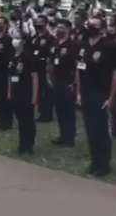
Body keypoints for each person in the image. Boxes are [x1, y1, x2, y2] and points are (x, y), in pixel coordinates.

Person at [76, 17, 116, 177]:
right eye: (88, 24)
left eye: (94, 25)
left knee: (102, 131)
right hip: (87, 93)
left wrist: (111, 97)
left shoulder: (110, 46)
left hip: (102, 94)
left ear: (102, 28)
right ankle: (94, 161)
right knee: (90, 130)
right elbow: (79, 69)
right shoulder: (82, 44)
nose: (90, 27)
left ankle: (104, 164)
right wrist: (79, 92)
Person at [8, 30, 39, 155]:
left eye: (17, 37)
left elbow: (35, 77)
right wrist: (9, 92)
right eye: (14, 37)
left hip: (26, 92)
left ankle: (29, 145)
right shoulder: (12, 56)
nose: (14, 40)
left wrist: (34, 97)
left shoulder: (28, 56)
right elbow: (10, 76)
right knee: (20, 121)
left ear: (23, 41)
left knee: (28, 120)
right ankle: (22, 144)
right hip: (15, 92)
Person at [50, 19, 79, 147]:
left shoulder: (73, 45)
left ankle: (70, 138)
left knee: (68, 111)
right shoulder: (55, 44)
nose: (59, 30)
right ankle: (62, 135)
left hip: (68, 83)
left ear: (68, 29)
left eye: (62, 27)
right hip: (56, 81)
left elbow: (78, 66)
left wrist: (75, 83)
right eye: (57, 27)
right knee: (59, 110)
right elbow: (51, 62)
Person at [32, 16, 55, 122]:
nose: (38, 25)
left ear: (45, 24)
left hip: (44, 67)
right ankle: (41, 112)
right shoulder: (35, 36)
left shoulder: (50, 38)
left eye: (40, 23)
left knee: (46, 91)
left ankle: (47, 114)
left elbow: (51, 54)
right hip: (35, 67)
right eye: (36, 23)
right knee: (39, 91)